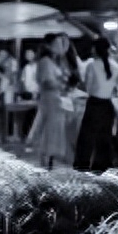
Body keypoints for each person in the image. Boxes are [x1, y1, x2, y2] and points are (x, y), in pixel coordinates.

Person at [73, 38, 118, 172]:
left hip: (94, 103)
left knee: (87, 136)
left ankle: (82, 165)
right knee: (104, 136)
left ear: (95, 49)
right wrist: (112, 87)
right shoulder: (114, 65)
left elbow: (88, 86)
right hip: (107, 104)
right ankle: (102, 166)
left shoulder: (92, 65)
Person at [25, 33, 73, 168]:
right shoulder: (45, 62)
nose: (59, 47)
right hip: (50, 98)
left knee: (54, 128)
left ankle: (50, 158)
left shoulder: (53, 62)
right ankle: (46, 157)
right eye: (56, 44)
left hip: (55, 98)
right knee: (49, 128)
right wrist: (61, 85)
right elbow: (47, 82)